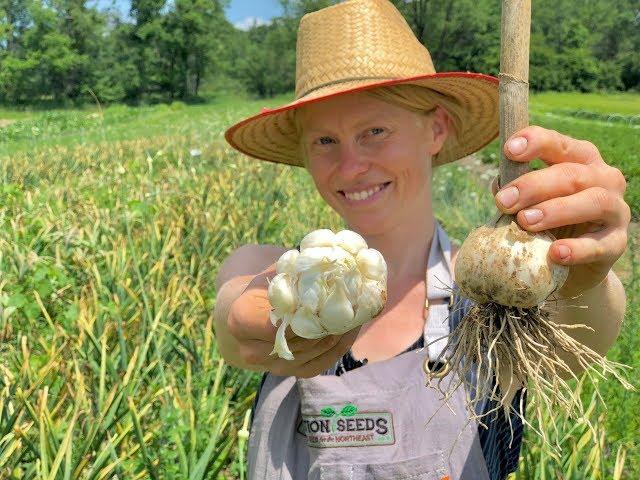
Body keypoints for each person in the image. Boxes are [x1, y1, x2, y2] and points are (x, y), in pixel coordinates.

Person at [215, 0, 630, 478]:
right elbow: (234, 319)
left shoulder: (487, 300)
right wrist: (254, 322)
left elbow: (581, 335)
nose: (351, 166)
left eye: (375, 130)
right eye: (324, 141)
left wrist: (582, 273)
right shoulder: (272, 270)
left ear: (436, 129)